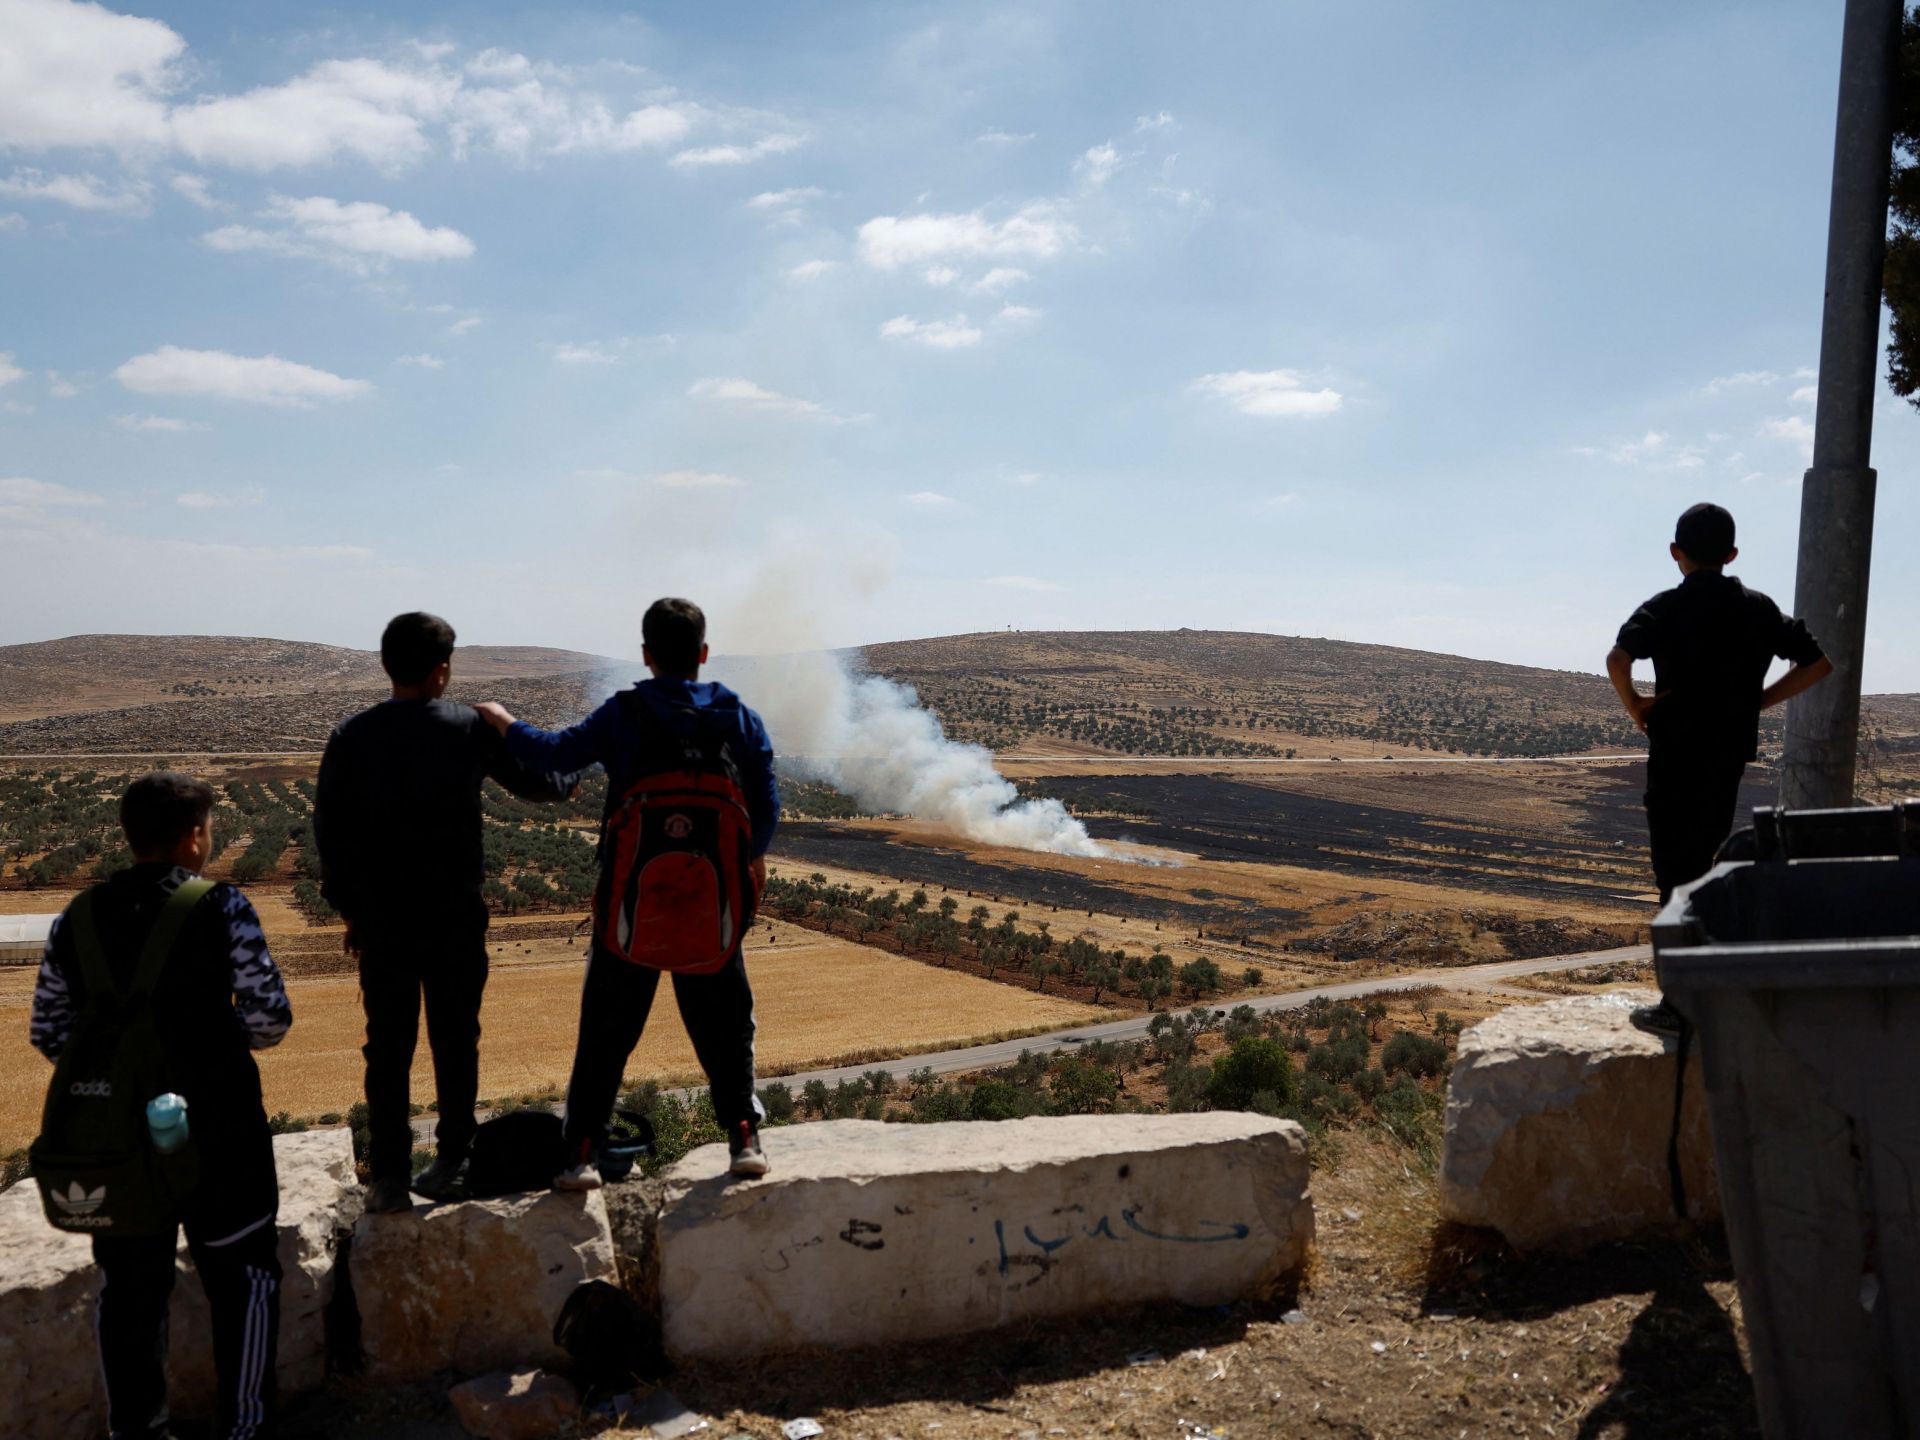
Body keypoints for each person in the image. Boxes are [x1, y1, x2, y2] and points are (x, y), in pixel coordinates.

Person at [475, 597, 781, 1187]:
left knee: (605, 1034)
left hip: (628, 909)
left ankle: (582, 1155)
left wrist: (503, 721)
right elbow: (765, 806)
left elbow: (554, 754)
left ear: (645, 654)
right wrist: (750, 860)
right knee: (727, 1028)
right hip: (713, 909)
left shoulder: (626, 713)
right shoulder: (736, 716)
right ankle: (744, 1140)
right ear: (703, 654)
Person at [30, 772, 294, 1440]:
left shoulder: (78, 917)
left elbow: (50, 1031)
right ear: (194, 837)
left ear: (129, 835)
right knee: (244, 1279)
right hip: (221, 1132)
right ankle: (247, 1429)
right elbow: (268, 1020)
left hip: (117, 1144)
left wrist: (120, 1078)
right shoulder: (223, 907)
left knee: (129, 1291)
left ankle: (138, 1431)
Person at [314, 612, 579, 1212]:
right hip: (454, 916)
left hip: (383, 922)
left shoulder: (352, 736)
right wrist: (569, 777)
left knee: (387, 1046)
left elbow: (332, 836)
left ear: (387, 665)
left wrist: (352, 914)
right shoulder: (468, 727)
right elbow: (535, 782)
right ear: (442, 671)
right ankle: (454, 1161)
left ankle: (388, 1177)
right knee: (456, 1040)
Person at [1607, 503, 1833, 1023]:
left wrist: (1637, 706)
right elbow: (1818, 663)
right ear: (1732, 554)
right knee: (1704, 867)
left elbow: (1618, 660)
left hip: (1673, 756)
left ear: (1676, 553)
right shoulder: (1757, 609)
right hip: (1725, 757)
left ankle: (1679, 1003)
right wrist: (1759, 702)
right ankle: (1701, 992)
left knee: (1674, 877)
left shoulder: (1664, 607)